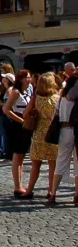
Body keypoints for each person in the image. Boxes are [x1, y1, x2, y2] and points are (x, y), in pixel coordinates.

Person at [24, 72, 59, 199]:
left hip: (39, 132)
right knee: (52, 164)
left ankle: (29, 190)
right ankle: (51, 191)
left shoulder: (36, 98)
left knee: (36, 165)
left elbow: (25, 114)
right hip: (52, 134)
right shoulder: (57, 98)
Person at [47, 76, 78, 206]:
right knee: (77, 163)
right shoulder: (75, 100)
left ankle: (53, 193)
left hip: (63, 131)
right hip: (75, 130)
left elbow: (55, 115)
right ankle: (77, 195)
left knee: (60, 162)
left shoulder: (61, 98)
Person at [3, 70, 33, 197]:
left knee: (22, 156)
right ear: (21, 79)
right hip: (18, 125)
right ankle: (17, 185)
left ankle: (20, 184)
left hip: (26, 125)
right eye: (27, 77)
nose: (29, 79)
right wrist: (21, 121)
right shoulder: (15, 92)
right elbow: (6, 109)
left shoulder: (27, 92)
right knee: (17, 155)